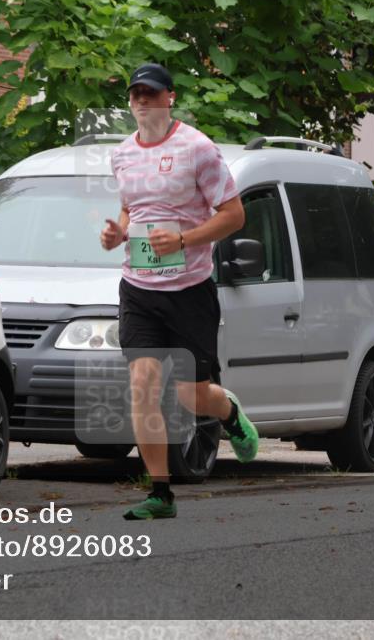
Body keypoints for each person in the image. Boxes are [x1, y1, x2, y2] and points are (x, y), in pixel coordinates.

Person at [100, 63, 259, 520]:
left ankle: (228, 413)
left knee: (193, 396)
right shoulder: (123, 154)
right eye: (135, 95)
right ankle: (160, 493)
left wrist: (185, 240)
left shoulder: (197, 148)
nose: (141, 101)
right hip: (139, 288)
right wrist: (118, 233)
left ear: (170, 97)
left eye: (150, 93)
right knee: (142, 386)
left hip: (190, 289)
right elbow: (131, 210)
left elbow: (234, 215)